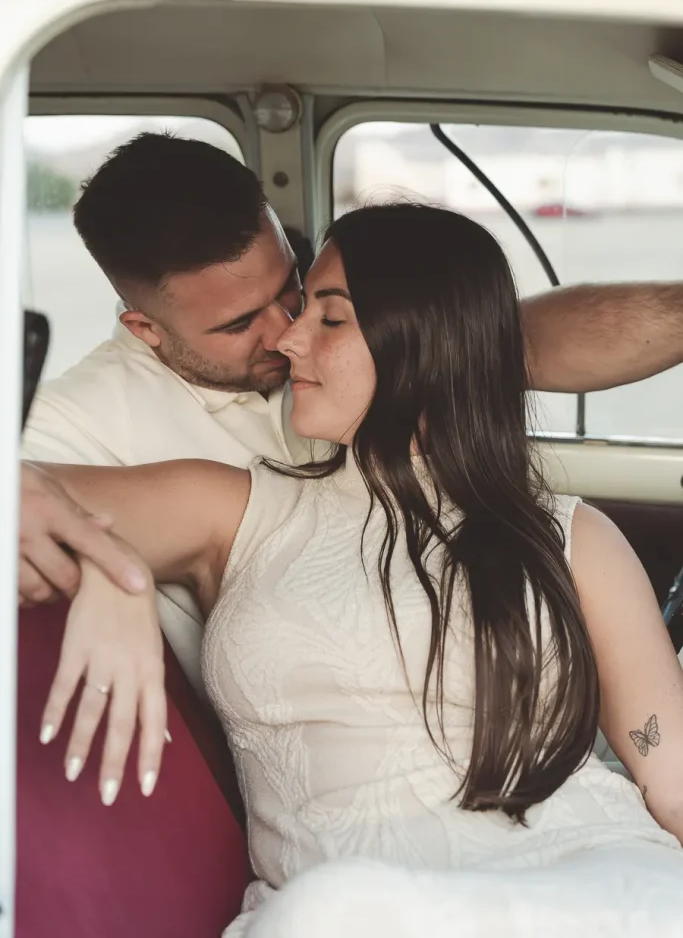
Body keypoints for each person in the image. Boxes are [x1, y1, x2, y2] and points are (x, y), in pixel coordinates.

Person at [30, 205, 683, 936]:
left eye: (328, 319)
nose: (287, 337)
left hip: (587, 880)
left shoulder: (570, 534)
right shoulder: (235, 507)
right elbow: (22, 495)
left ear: (422, 344)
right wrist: (107, 565)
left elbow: (672, 774)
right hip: (342, 910)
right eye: (301, 307)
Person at [20, 132, 683, 693]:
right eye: (240, 324)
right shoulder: (67, 427)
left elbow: (509, 339)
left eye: (293, 288)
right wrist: (107, 570)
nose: (285, 331)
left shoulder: (340, 343)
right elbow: (25, 510)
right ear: (145, 328)